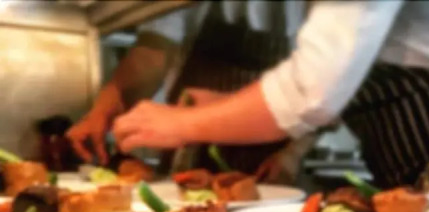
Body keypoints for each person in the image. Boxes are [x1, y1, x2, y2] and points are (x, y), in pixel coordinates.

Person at [113, 0, 429, 212]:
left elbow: (315, 90)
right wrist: (220, 106)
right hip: (410, 162)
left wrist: (180, 124)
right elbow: (336, 89)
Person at [67, 1, 307, 180]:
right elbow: (152, 54)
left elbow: (317, 90)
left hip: (271, 159)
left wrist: (293, 154)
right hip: (189, 155)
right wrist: (110, 101)